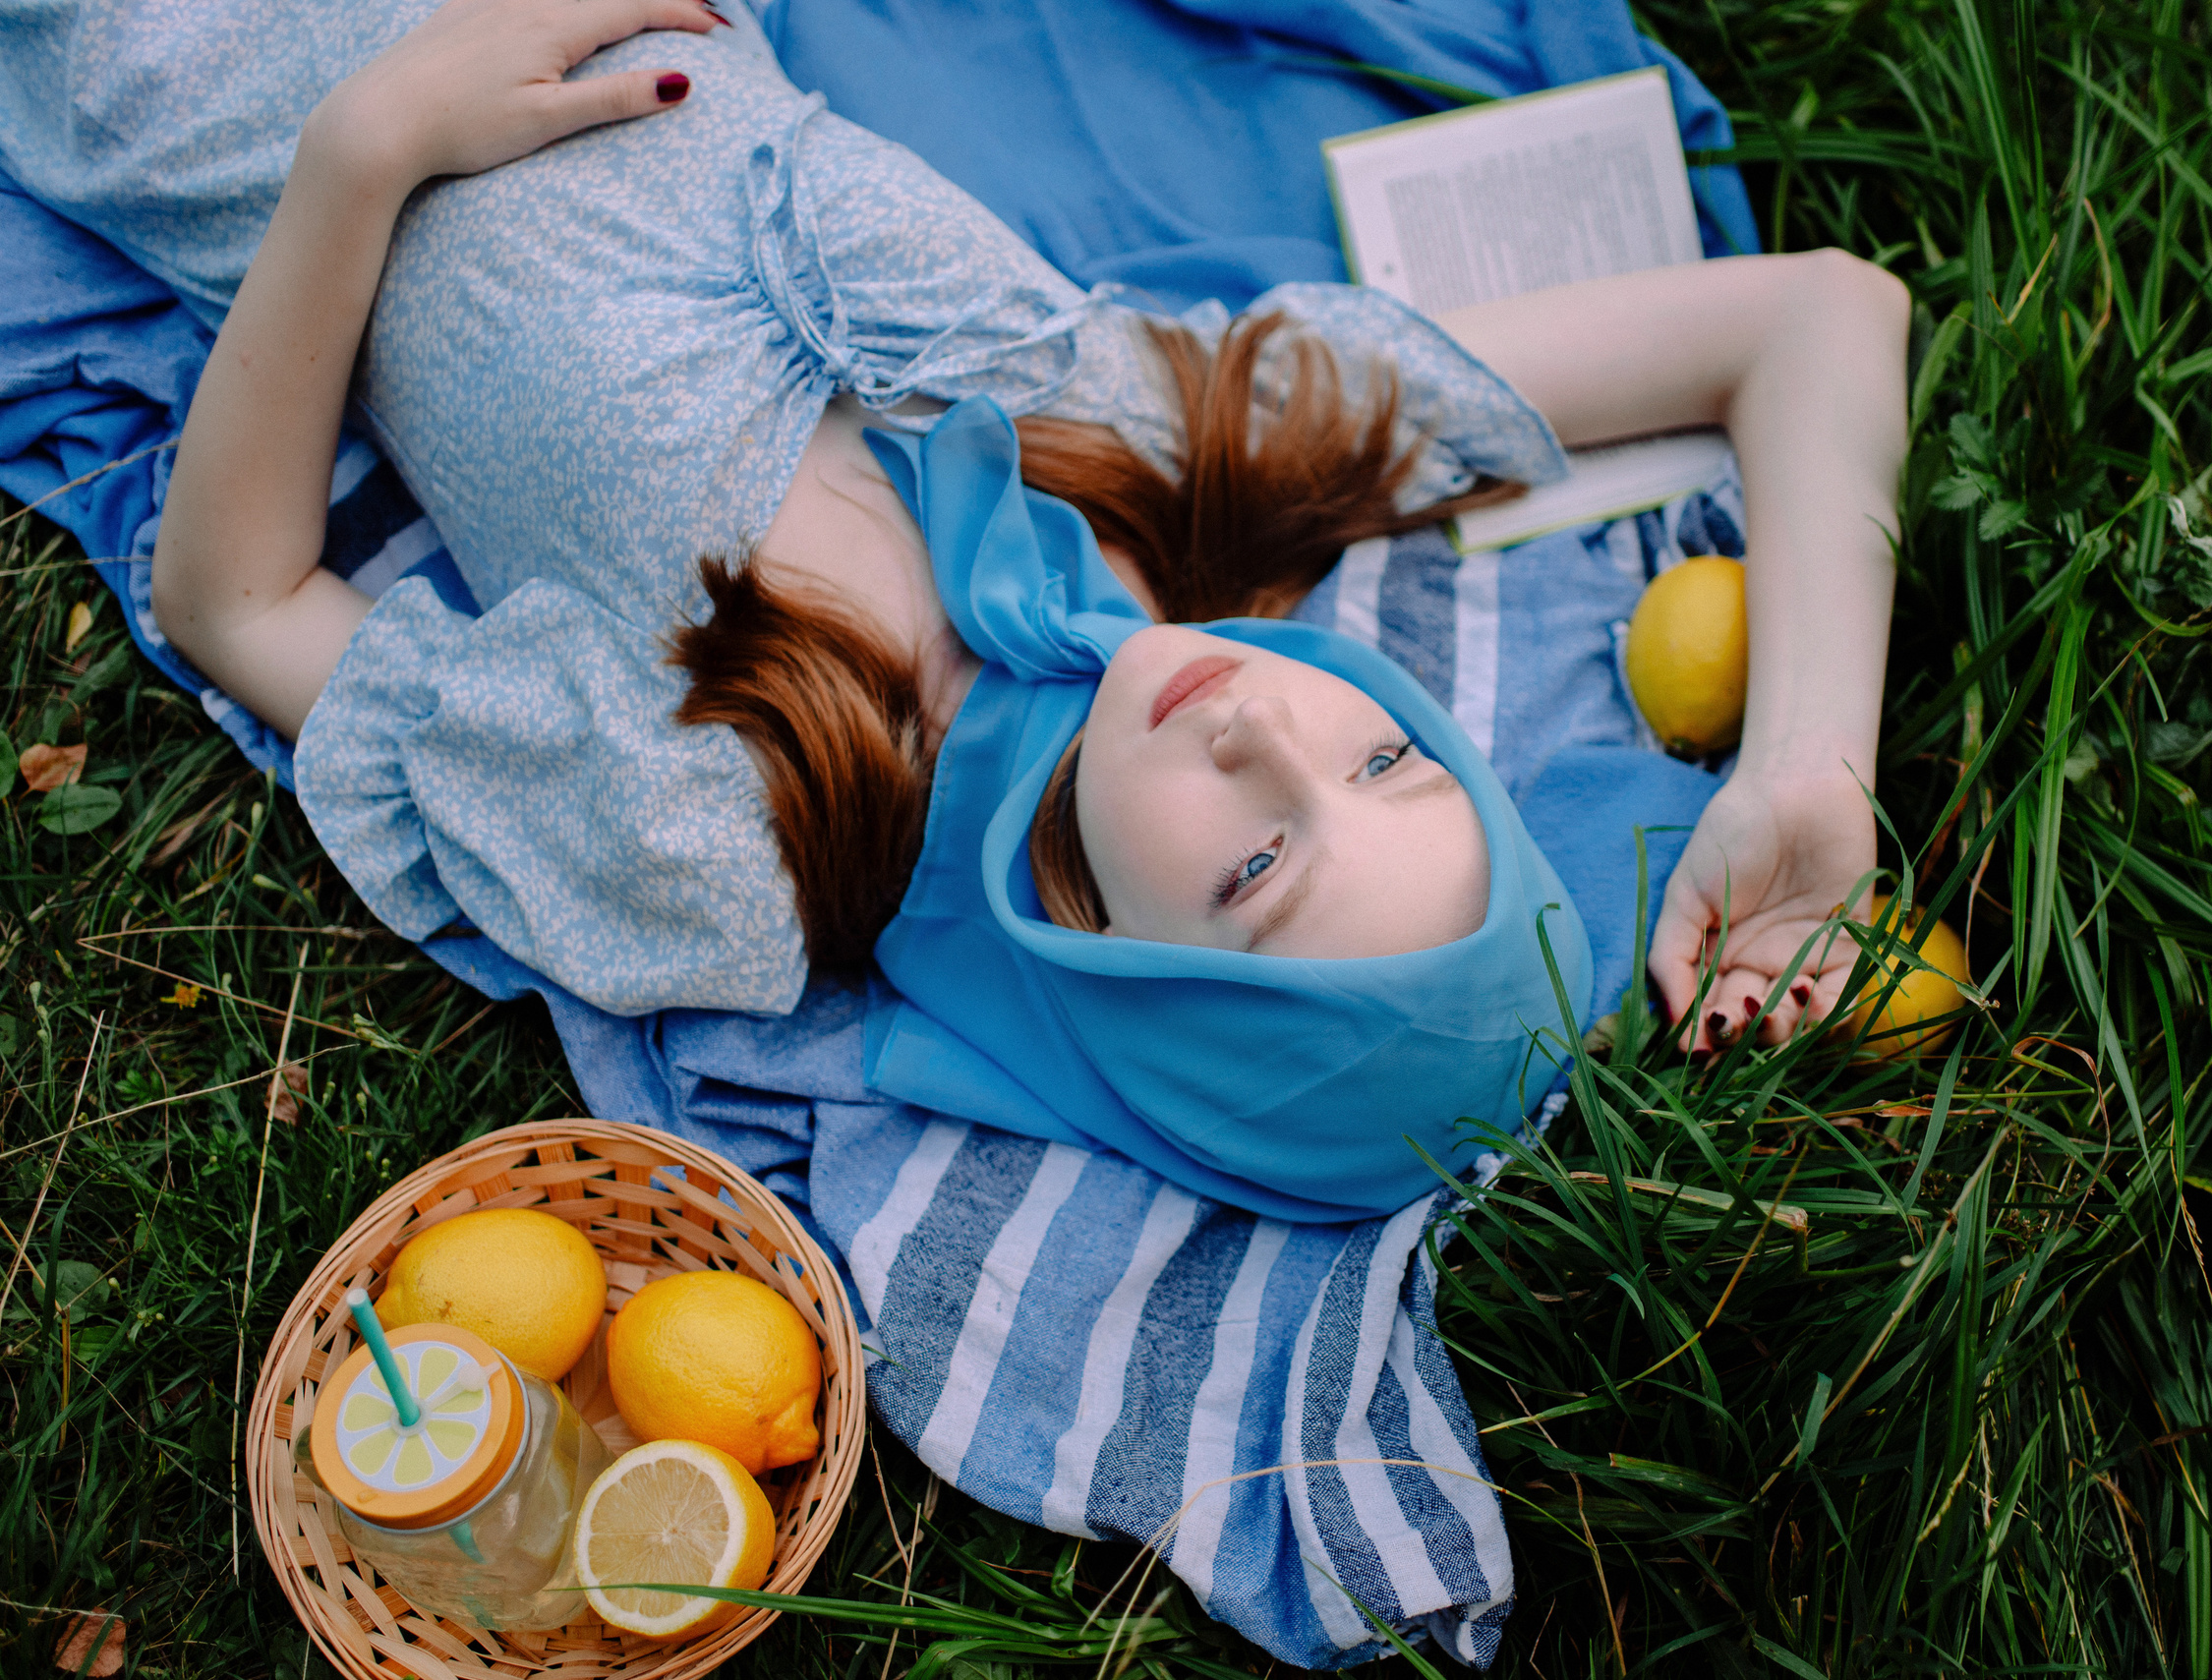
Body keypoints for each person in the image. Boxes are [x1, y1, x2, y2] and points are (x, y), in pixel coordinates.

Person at [6, 0, 1906, 1209]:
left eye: (1254, 872)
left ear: (1117, 977)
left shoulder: (726, 839)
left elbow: (235, 595)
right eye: (1390, 755)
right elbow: (1818, 319)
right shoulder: (1181, 452)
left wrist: (375, 141)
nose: (1263, 731)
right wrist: (1813, 764)